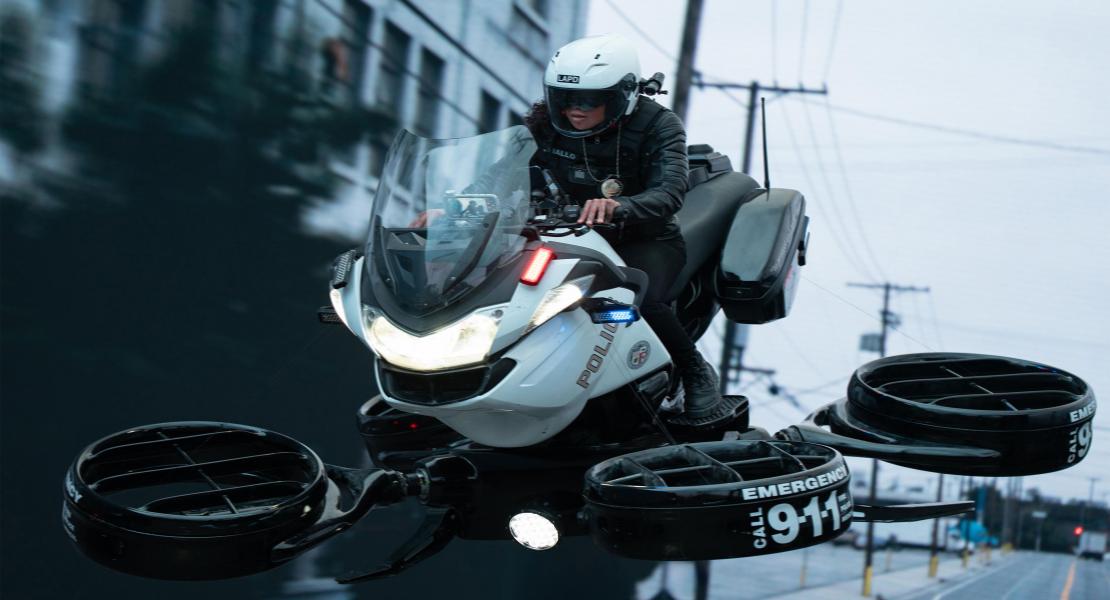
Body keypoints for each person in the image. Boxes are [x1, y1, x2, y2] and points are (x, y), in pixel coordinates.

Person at [524, 34, 722, 417]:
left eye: (589, 100)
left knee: (638, 298)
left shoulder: (660, 125)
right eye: (565, 99)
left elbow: (669, 192)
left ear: (624, 93)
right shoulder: (544, 124)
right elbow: (503, 170)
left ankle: (695, 371)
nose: (574, 110)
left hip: (644, 238)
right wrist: (452, 208)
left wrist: (619, 206)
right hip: (568, 234)